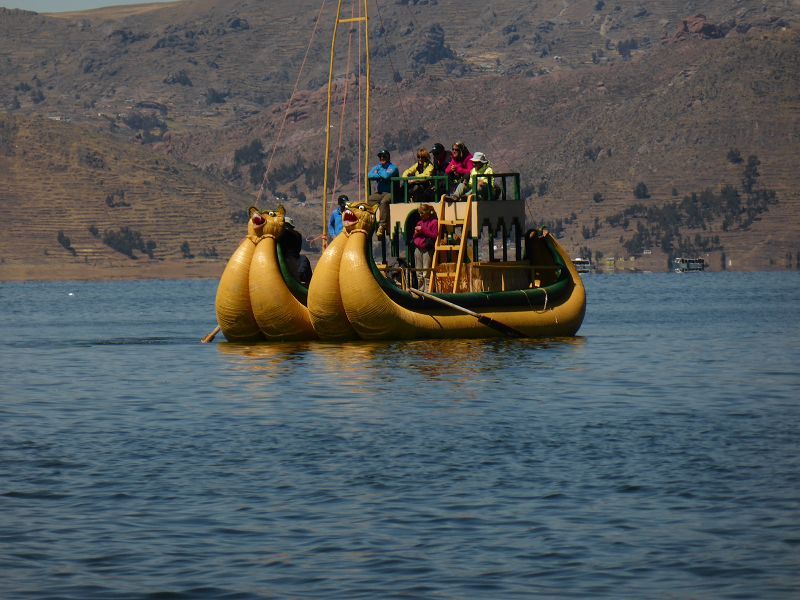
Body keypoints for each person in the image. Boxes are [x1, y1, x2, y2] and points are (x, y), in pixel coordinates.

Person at [367, 149, 399, 239]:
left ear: (388, 158)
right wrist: (380, 173)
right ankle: (370, 222)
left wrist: (378, 172)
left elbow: (386, 176)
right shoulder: (379, 166)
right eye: (380, 157)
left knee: (384, 202)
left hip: (391, 192)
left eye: (384, 156)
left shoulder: (392, 167)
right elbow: (369, 175)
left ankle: (382, 225)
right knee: (368, 200)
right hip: (380, 193)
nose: (381, 158)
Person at [412, 204, 438, 292]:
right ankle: (420, 291)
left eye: (422, 213)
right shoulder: (419, 223)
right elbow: (414, 236)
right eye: (419, 213)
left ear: (427, 213)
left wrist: (423, 230)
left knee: (426, 272)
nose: (420, 215)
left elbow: (434, 235)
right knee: (418, 272)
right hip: (418, 249)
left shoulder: (434, 222)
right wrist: (416, 233)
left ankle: (427, 291)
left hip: (427, 249)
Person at [280, 216, 312, 286]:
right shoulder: (280, 235)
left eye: (287, 226)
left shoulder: (295, 235)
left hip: (292, 258)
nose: (286, 228)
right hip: (285, 259)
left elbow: (297, 249)